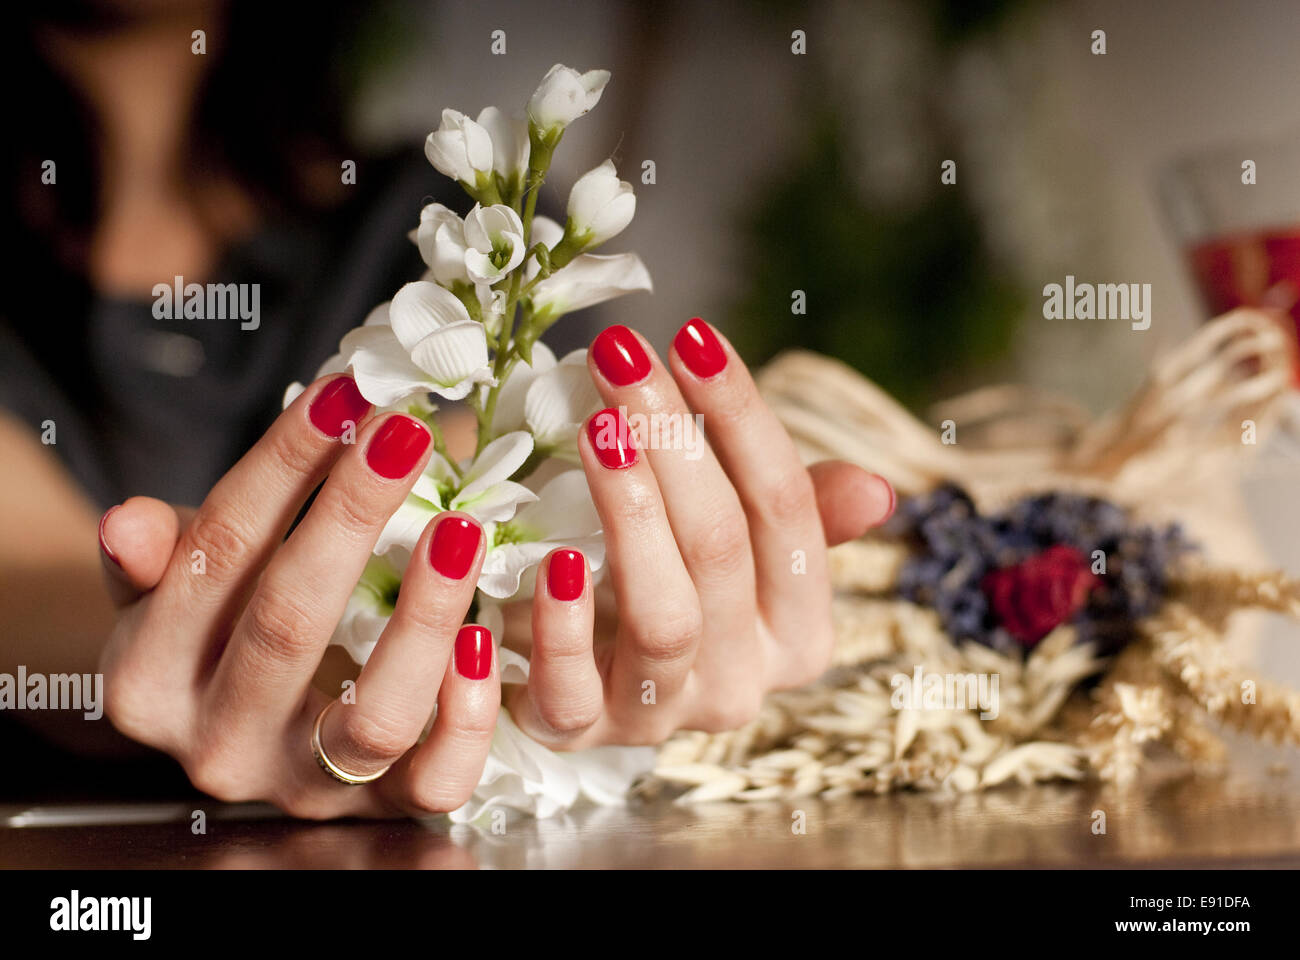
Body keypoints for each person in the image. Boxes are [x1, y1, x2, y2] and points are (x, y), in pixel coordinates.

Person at [1, 1, 894, 817]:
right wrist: (177, 647)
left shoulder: (446, 230)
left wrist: (622, 629)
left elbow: (474, 525)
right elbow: (27, 574)